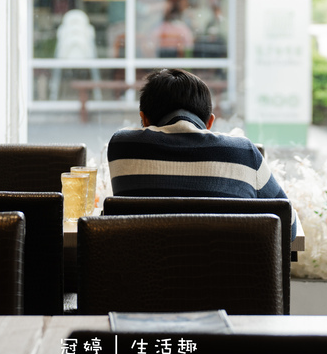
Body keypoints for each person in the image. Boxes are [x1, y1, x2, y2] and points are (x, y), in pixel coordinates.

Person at [107, 68, 296, 238]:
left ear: (144, 119)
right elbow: (290, 226)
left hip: (142, 275)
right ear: (209, 123)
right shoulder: (243, 153)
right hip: (228, 275)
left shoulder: (122, 145)